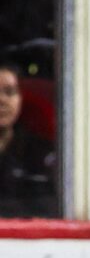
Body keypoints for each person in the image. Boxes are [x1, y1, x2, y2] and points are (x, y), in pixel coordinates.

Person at [0, 61, 53, 216]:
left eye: (10, 92)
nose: (2, 100)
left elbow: (47, 207)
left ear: (21, 98)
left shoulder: (40, 152)